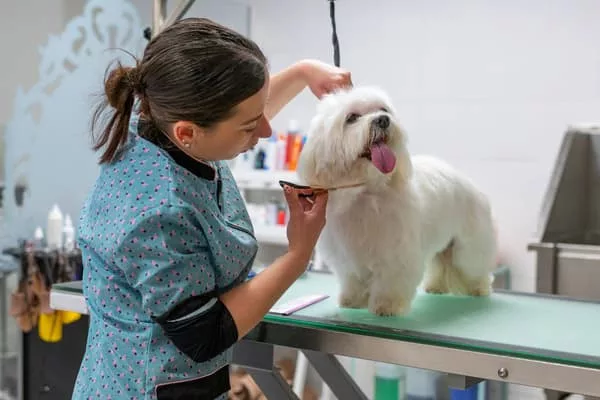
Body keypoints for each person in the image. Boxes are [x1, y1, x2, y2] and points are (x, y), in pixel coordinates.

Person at [72, 17, 352, 400]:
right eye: (252, 126)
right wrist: (298, 254)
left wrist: (304, 74)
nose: (266, 132)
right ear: (188, 132)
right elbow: (205, 335)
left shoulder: (163, 126)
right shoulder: (158, 212)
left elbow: (231, 117)